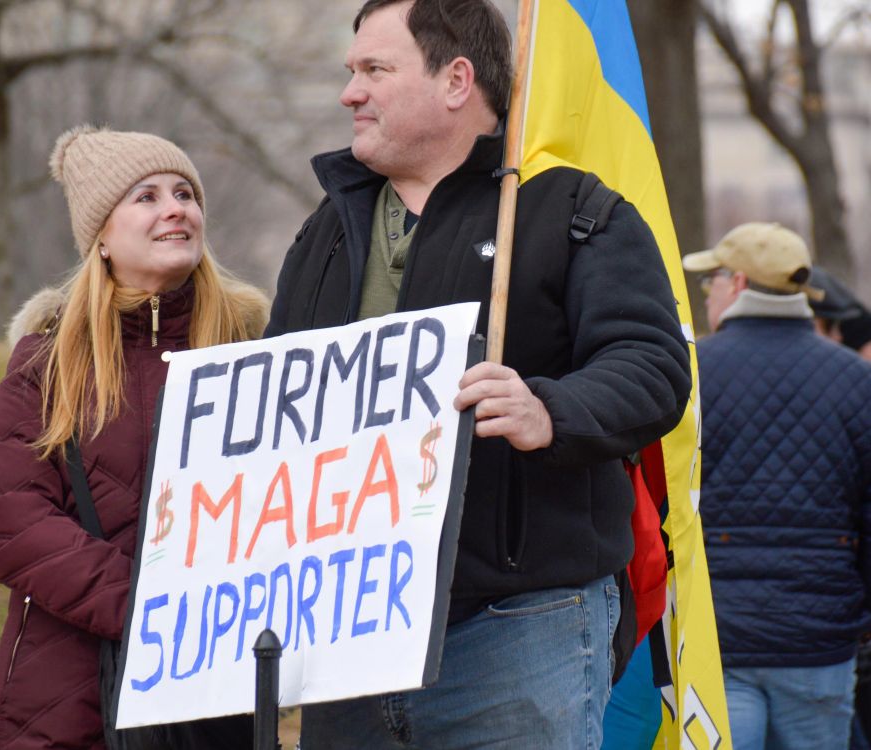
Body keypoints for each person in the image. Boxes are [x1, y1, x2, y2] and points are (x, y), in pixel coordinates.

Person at [265, 0, 692, 746]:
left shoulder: (576, 213)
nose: (349, 93)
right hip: (346, 645)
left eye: (374, 70)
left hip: (520, 633)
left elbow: (653, 366)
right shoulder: (326, 232)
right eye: (350, 72)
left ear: (456, 79)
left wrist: (549, 410)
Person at [0, 125, 268, 749]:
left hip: (205, 697)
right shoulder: (45, 364)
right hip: (63, 698)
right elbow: (14, 522)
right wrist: (154, 605)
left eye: (185, 192)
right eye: (147, 196)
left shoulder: (255, 356)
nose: (175, 208)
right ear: (101, 237)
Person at [683, 222, 871, 750]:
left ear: (737, 284)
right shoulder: (857, 380)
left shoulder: (692, 374)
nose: (708, 294)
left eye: (710, 282)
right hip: (820, 637)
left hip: (718, 637)